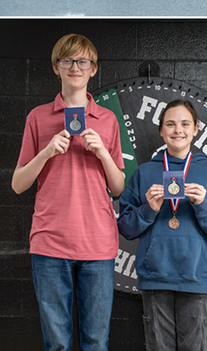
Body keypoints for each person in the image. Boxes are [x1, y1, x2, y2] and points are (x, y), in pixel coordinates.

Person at [12, 33, 124, 351]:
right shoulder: (37, 117)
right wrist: (47, 152)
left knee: (95, 342)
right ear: (55, 68)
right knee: (57, 343)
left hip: (98, 245)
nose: (75, 66)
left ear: (93, 69)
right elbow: (18, 184)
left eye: (82, 61)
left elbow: (118, 187)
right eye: (67, 60)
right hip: (50, 244)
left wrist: (102, 152)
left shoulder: (108, 120)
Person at [117, 99, 207, 351]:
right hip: (156, 277)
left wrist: (204, 205)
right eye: (170, 124)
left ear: (196, 129)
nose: (177, 130)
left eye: (184, 124)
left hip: (195, 277)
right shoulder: (144, 173)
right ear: (161, 130)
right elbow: (126, 228)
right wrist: (149, 208)